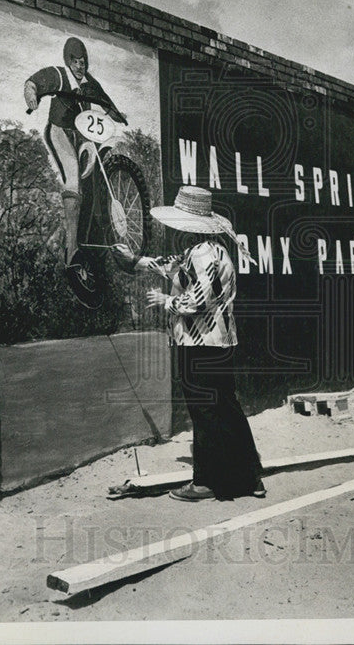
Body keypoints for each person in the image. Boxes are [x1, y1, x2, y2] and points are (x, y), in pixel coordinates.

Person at [112, 186, 265, 502]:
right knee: (226, 408)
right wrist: (134, 260)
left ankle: (206, 482)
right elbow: (170, 266)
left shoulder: (203, 254)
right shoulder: (207, 250)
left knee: (205, 412)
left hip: (201, 345)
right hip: (218, 344)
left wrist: (167, 301)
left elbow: (198, 299)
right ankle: (250, 478)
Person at [24, 36, 126, 307]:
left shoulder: (90, 83)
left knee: (95, 171)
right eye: (75, 62)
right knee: (73, 179)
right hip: (60, 133)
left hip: (83, 135)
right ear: (68, 61)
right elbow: (34, 82)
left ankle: (91, 234)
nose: (79, 67)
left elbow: (106, 103)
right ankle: (70, 251)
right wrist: (31, 95)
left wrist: (116, 114)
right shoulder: (59, 76)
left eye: (83, 62)